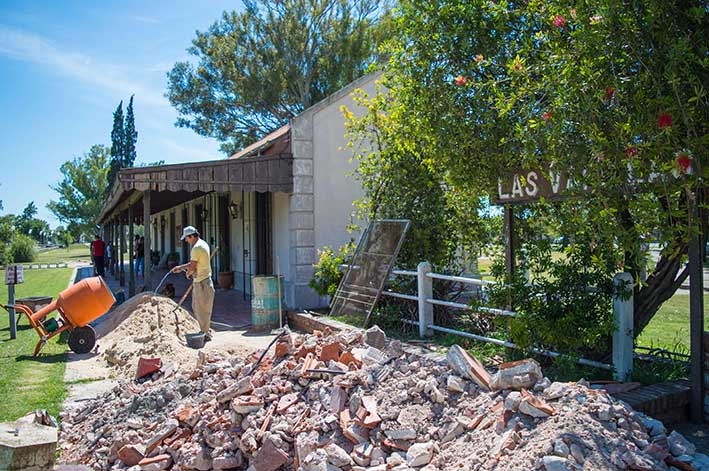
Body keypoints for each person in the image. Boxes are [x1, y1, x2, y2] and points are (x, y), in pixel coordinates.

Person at [172, 226, 214, 340]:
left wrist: (188, 273)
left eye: (187, 238)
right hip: (205, 280)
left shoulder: (196, 248)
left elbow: (192, 266)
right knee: (198, 307)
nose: (186, 241)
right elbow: (194, 263)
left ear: (191, 236)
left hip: (201, 282)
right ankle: (205, 331)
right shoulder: (203, 244)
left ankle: (205, 333)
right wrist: (181, 267)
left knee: (201, 309)